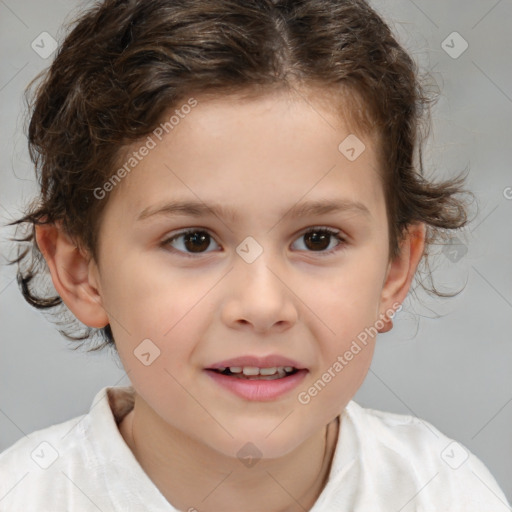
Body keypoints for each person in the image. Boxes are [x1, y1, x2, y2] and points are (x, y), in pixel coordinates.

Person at [0, 0, 509, 510]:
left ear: (393, 271)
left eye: (318, 239)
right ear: (81, 271)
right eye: (194, 240)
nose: (264, 305)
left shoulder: (446, 492)